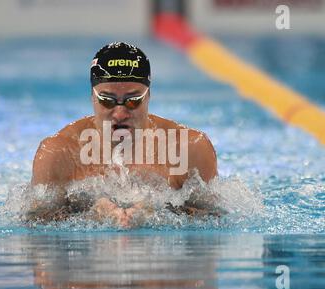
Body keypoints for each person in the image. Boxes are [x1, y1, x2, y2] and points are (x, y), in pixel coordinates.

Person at [30, 42, 217, 227]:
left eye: (133, 101)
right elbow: (33, 224)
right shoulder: (59, 153)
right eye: (107, 100)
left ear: (148, 96)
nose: (119, 113)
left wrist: (159, 211)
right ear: (92, 97)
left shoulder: (190, 148)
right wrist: (90, 214)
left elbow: (215, 220)